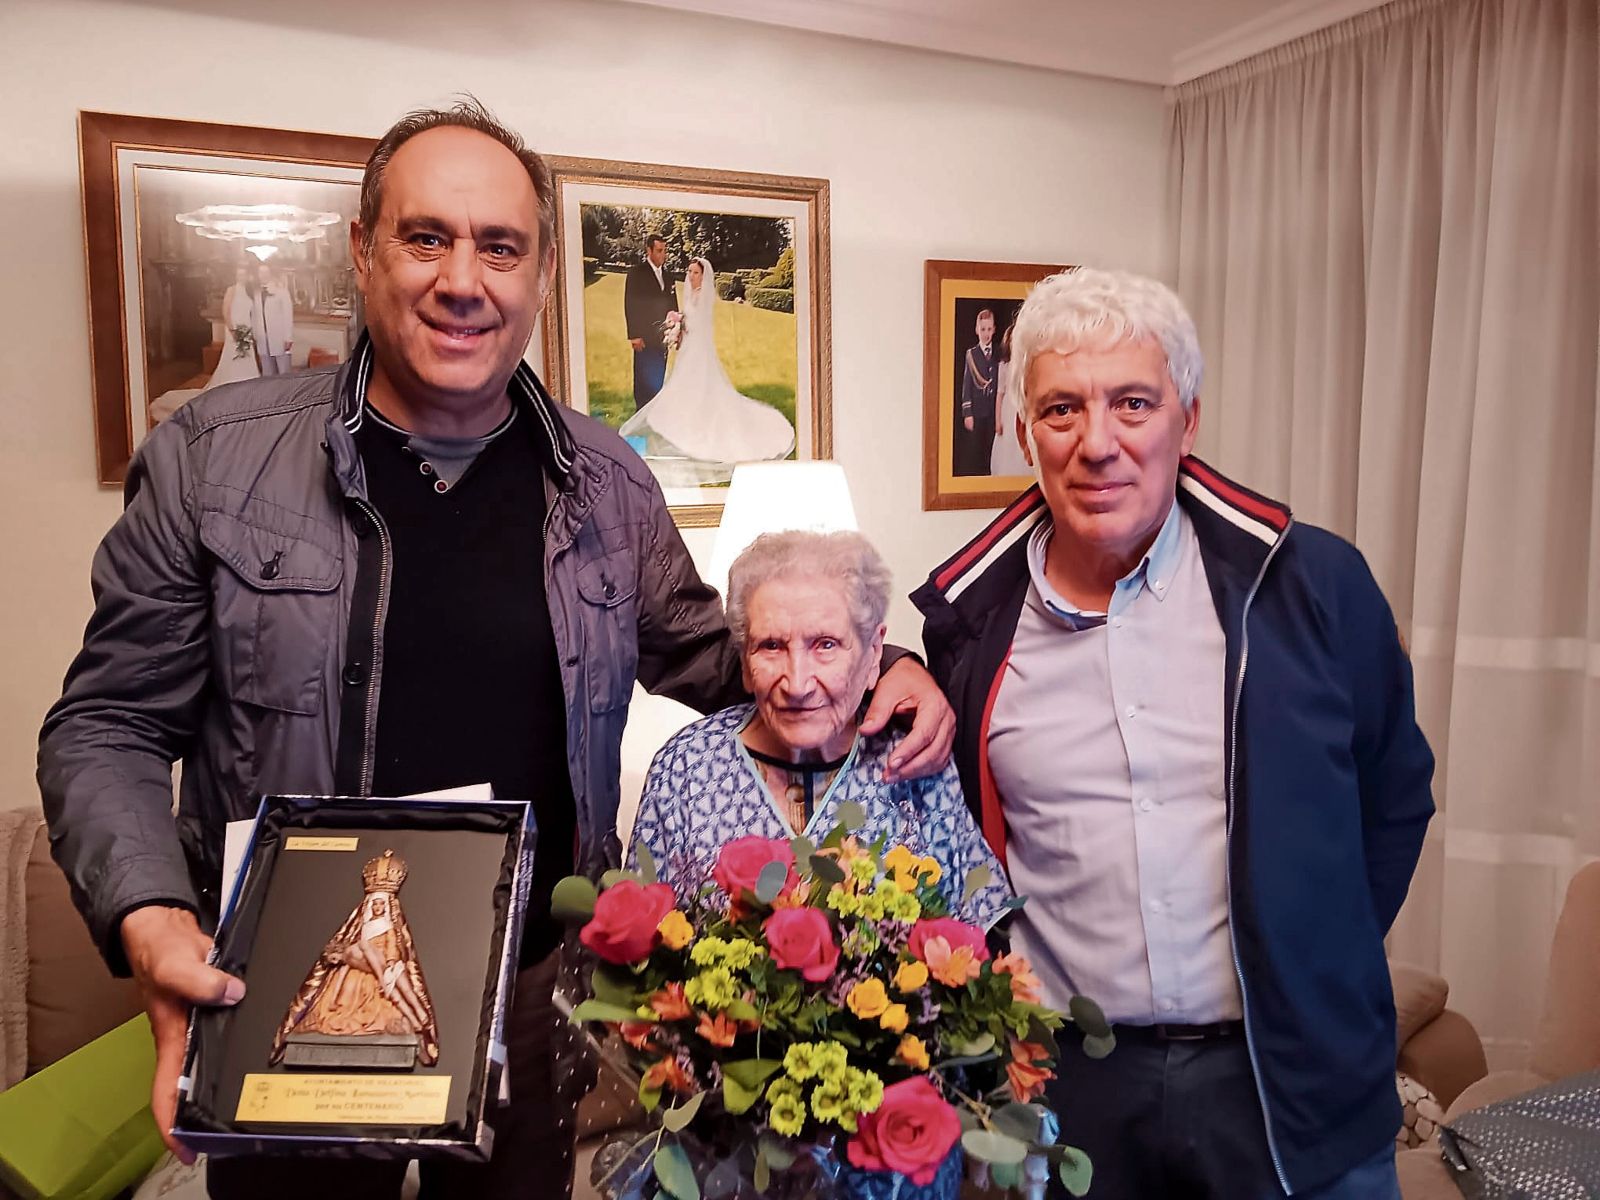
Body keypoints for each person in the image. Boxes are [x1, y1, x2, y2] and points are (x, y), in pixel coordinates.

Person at [38, 98, 955, 1200]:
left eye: (501, 247)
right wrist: (150, 916)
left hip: (531, 997)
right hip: (292, 993)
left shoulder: (607, 482)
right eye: (426, 237)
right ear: (363, 250)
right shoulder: (212, 460)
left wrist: (885, 667)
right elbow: (106, 724)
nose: (462, 280)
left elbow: (718, 656)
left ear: (541, 272)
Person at [912, 267, 1434, 1200]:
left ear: (1187, 421)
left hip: (1289, 1080)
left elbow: (1393, 795)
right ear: (1025, 433)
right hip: (1066, 1084)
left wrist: (1319, 955)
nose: (1097, 444)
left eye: (1133, 403)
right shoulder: (970, 626)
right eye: (1062, 409)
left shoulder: (1310, 586)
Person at [630, 530, 1011, 931]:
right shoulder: (685, 768)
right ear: (744, 661)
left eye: (825, 645)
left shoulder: (916, 760)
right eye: (771, 646)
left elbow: (974, 943)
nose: (797, 684)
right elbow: (639, 948)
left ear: (873, 654)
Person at [619, 256, 795, 485]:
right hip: (688, 347)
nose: (691, 276)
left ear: (703, 276)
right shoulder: (689, 293)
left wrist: (682, 326)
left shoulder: (704, 295)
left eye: (696, 273)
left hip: (698, 348)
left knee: (699, 384)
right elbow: (686, 319)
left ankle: (698, 420)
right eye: (690, 272)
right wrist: (678, 327)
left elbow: (700, 324)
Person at [271, 849, 439, 1068]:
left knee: (394, 1001)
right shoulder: (359, 929)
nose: (378, 907)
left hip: (383, 966)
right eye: (374, 904)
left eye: (381, 904)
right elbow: (347, 950)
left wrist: (390, 961)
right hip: (360, 967)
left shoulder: (390, 927)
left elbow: (393, 946)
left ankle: (413, 1016)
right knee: (338, 999)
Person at [624, 234, 675, 410]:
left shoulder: (668, 277)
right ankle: (641, 413)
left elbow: (672, 306)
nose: (663, 255)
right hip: (643, 338)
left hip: (663, 339)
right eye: (659, 251)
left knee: (658, 379)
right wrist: (634, 335)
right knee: (643, 381)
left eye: (664, 251)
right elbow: (630, 304)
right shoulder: (636, 274)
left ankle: (655, 413)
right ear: (649, 250)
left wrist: (674, 330)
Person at [954, 308, 997, 476]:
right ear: (976, 330)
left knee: (992, 450)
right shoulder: (971, 354)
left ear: (994, 329)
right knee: (977, 450)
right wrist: (967, 414)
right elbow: (967, 386)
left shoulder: (999, 353)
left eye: (989, 329)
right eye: (983, 329)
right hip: (977, 412)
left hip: (994, 411)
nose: (986, 333)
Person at [204, 266, 262, 392]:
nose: (241, 277)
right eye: (239, 275)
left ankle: (248, 382)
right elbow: (226, 311)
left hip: (247, 327)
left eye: (243, 275)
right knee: (234, 355)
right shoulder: (231, 290)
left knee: (247, 355)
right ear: (236, 276)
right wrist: (232, 330)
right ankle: (231, 382)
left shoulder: (249, 291)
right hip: (234, 327)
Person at [990, 320, 1030, 477]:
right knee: (1007, 442)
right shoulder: (1004, 366)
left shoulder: (1027, 365)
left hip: (1022, 405)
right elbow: (1000, 394)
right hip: (1008, 409)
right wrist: (998, 420)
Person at [249, 263, 294, 375]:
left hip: (279, 337)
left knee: (284, 372)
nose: (263, 275)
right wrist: (255, 334)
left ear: (270, 273)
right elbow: (254, 315)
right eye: (260, 272)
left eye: (265, 272)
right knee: (267, 372)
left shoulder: (281, 291)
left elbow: (288, 315)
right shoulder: (256, 293)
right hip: (262, 338)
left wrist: (288, 337)